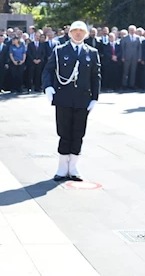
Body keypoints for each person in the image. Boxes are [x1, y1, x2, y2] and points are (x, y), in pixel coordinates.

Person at [42, 21, 101, 182]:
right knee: (64, 132)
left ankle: (73, 167)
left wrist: (95, 97)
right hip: (64, 97)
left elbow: (95, 76)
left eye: (81, 31)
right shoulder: (60, 50)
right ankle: (62, 167)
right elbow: (48, 70)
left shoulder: (92, 52)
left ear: (86, 34)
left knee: (78, 133)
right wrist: (48, 87)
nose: (78, 34)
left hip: (82, 99)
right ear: (70, 33)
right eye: (75, 31)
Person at [121, 25, 141, 89]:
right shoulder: (125, 38)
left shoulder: (138, 38)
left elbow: (139, 48)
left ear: (135, 30)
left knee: (133, 71)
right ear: (128, 30)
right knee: (125, 71)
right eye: (130, 30)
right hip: (126, 57)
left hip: (135, 57)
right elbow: (122, 48)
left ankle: (132, 85)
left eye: (133, 30)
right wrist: (123, 56)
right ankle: (124, 85)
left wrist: (139, 57)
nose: (132, 31)